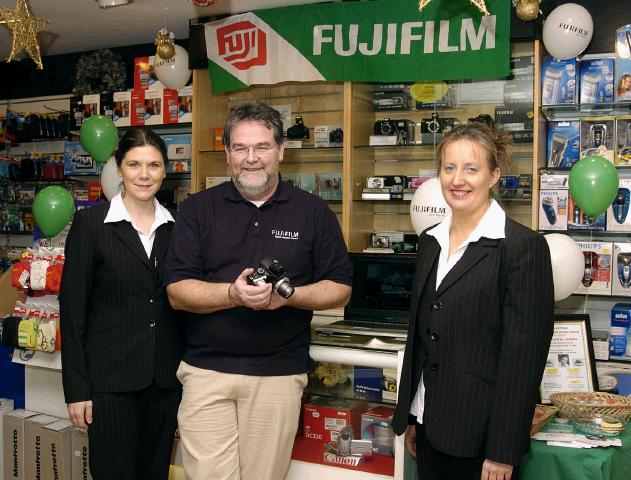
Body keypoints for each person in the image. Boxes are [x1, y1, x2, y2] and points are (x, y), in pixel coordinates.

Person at [164, 101, 352, 480]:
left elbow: (340, 288)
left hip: (277, 376)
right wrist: (231, 295)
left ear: (281, 150)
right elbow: (177, 291)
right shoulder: (197, 210)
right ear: (228, 153)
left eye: (262, 147)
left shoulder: (313, 212)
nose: (252, 159)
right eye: (241, 148)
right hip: (206, 373)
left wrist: (290, 297)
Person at [392, 123, 554, 480]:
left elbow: (523, 360)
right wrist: (415, 414)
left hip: (481, 440)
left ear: (494, 175)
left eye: (471, 169)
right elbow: (422, 338)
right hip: (430, 428)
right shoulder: (430, 241)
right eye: (449, 168)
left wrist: (503, 450)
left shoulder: (521, 248)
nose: (458, 180)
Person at [60, 127, 183, 480]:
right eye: (134, 164)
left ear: (165, 170)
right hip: (109, 384)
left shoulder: (179, 226)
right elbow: (73, 314)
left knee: (155, 473)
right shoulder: (91, 226)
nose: (144, 175)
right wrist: (77, 390)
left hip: (164, 382)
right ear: (119, 167)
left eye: (154, 165)